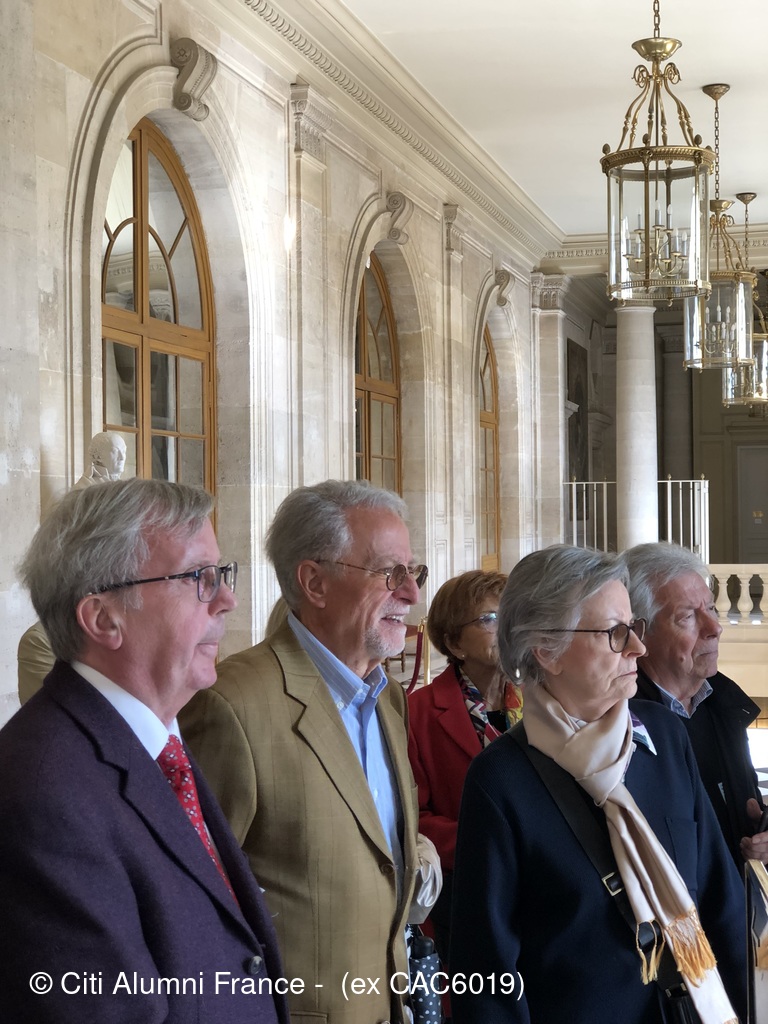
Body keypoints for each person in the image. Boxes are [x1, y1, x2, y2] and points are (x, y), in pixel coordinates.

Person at [0, 479, 288, 1024]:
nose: (227, 599)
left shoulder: (156, 744)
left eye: (221, 574)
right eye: (198, 578)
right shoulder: (43, 796)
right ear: (103, 618)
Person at [450, 545, 746, 1024]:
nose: (637, 648)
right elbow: (485, 972)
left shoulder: (665, 737)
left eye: (634, 627)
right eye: (615, 633)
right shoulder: (501, 779)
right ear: (546, 650)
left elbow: (721, 901)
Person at [180, 479, 433, 1024]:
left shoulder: (388, 698)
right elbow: (193, 913)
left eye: (414, 572)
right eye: (390, 573)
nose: (412, 594)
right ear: (315, 582)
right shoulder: (232, 707)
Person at [625, 541, 766, 866]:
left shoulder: (724, 707)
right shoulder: (623, 727)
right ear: (640, 633)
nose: (715, 628)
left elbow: (742, 812)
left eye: (711, 609)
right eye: (688, 616)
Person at [408, 569, 521, 963]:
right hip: (465, 893)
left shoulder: (540, 702)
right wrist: (491, 844)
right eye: (489, 619)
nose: (505, 628)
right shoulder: (418, 712)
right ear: (455, 643)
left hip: (536, 887)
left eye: (509, 615)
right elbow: (413, 820)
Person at [18, 430, 129, 702]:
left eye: (124, 452)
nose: (122, 458)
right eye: (116, 452)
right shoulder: (80, 498)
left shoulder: (124, 496)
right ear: (96, 455)